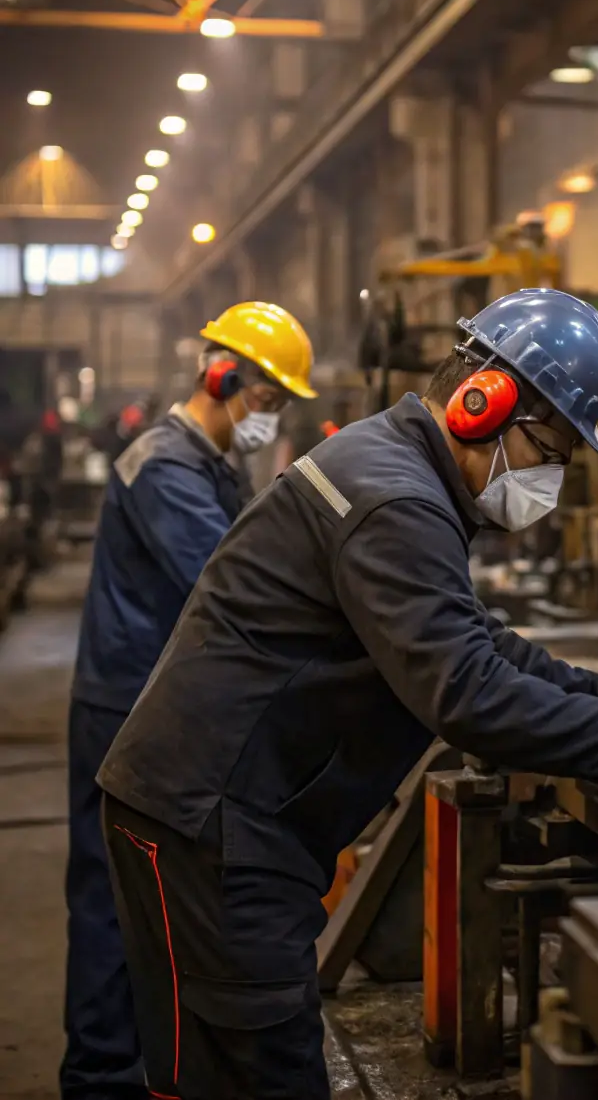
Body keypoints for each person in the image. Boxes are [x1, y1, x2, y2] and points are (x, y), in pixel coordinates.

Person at [96, 287, 598, 1100]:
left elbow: (475, 639)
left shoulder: (402, 471)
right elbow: (468, 693)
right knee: (253, 1072)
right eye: (552, 447)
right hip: (208, 821)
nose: (553, 475)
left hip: (236, 814)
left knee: (244, 1063)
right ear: (485, 403)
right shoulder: (397, 497)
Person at [61, 301, 317, 1100]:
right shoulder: (164, 466)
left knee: (145, 899)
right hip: (121, 707)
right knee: (110, 896)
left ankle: (136, 1062)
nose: (267, 419)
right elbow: (226, 579)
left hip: (155, 701)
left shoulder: (209, 462)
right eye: (268, 399)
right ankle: (101, 1077)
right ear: (222, 376)